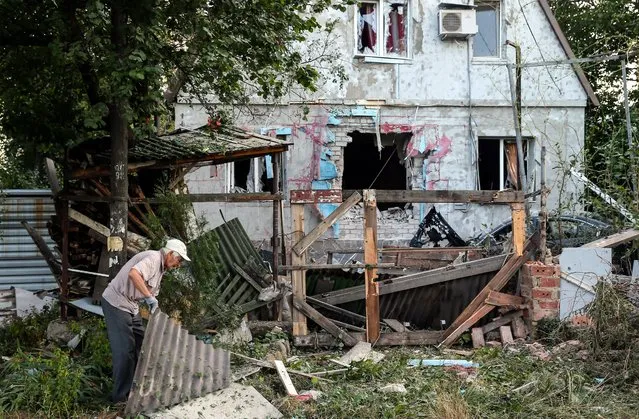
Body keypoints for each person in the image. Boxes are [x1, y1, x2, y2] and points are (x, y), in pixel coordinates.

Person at [101, 238, 191, 403]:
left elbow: (150, 293)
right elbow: (134, 273)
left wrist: (155, 312)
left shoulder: (161, 268)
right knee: (125, 351)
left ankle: (136, 387)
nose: (178, 264)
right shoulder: (153, 258)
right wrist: (149, 298)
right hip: (116, 303)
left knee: (143, 344)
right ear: (170, 253)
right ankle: (120, 397)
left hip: (131, 306)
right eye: (178, 260)